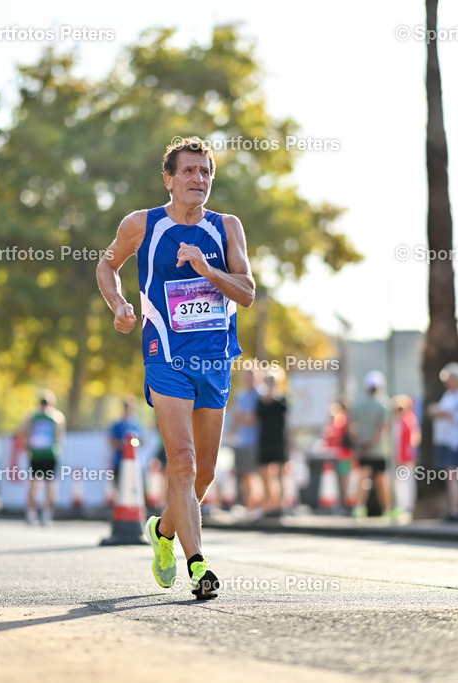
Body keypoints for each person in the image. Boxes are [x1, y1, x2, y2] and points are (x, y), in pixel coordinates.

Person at [96, 136, 254, 599]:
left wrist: (207, 270)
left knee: (202, 476)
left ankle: (164, 530)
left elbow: (246, 291)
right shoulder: (141, 224)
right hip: (165, 357)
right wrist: (119, 303)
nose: (198, 179)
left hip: (216, 359)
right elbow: (106, 266)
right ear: (169, 179)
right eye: (188, 171)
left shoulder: (227, 227)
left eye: (205, 172)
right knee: (180, 461)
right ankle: (198, 564)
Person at [428, 362, 458, 523]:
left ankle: (456, 510)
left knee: (454, 475)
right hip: (444, 440)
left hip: (456, 442)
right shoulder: (448, 395)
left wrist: (447, 414)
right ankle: (454, 508)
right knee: (450, 476)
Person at [349, 371, 391, 517]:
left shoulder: (357, 404)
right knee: (381, 480)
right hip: (378, 450)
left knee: (363, 478)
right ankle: (387, 510)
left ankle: (359, 508)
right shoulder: (383, 404)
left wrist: (359, 440)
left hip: (363, 449)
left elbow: (351, 426)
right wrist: (371, 441)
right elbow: (383, 427)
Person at [22, 392, 66, 526]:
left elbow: (24, 432)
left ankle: (35, 512)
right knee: (45, 485)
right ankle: (42, 513)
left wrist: (28, 447)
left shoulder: (33, 416)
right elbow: (60, 436)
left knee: (39, 484)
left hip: (40, 454)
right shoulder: (56, 416)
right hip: (46, 454)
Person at [230, 369, 263, 514]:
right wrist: (245, 418)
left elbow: (255, 418)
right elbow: (237, 418)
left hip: (257, 441)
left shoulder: (261, 395)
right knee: (244, 475)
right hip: (242, 441)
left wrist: (245, 417)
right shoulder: (240, 396)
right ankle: (249, 506)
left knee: (256, 475)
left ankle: (257, 506)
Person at [256, 371, 289, 517]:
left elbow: (283, 410)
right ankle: (268, 506)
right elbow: (259, 412)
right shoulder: (261, 400)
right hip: (265, 440)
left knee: (279, 474)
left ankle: (279, 505)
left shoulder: (282, 399)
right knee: (265, 474)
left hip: (278, 440)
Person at [392, 395, 421, 518]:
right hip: (400, 456)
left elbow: (413, 439)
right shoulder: (399, 421)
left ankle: (407, 505)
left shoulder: (409, 420)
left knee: (406, 481)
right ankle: (401, 505)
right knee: (401, 482)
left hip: (406, 457)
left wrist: (408, 454)